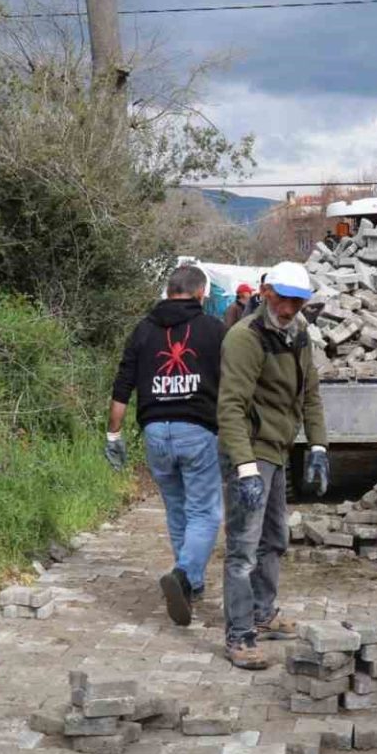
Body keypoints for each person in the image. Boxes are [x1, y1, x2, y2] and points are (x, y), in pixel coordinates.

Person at [218, 260, 329, 669]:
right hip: (249, 451)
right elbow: (231, 406)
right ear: (266, 293)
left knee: (275, 538)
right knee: (243, 548)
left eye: (297, 302)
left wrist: (318, 445)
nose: (288, 308)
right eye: (282, 300)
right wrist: (245, 468)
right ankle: (239, 634)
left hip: (278, 450)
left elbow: (310, 394)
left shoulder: (299, 334)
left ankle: (263, 613)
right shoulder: (245, 338)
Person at [106, 264, 227, 625]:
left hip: (155, 431)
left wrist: (113, 434)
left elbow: (123, 383)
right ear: (201, 294)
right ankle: (185, 575)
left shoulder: (143, 329)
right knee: (204, 512)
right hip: (197, 430)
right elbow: (234, 381)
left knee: (177, 509)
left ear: (169, 291)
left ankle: (192, 582)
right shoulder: (214, 330)